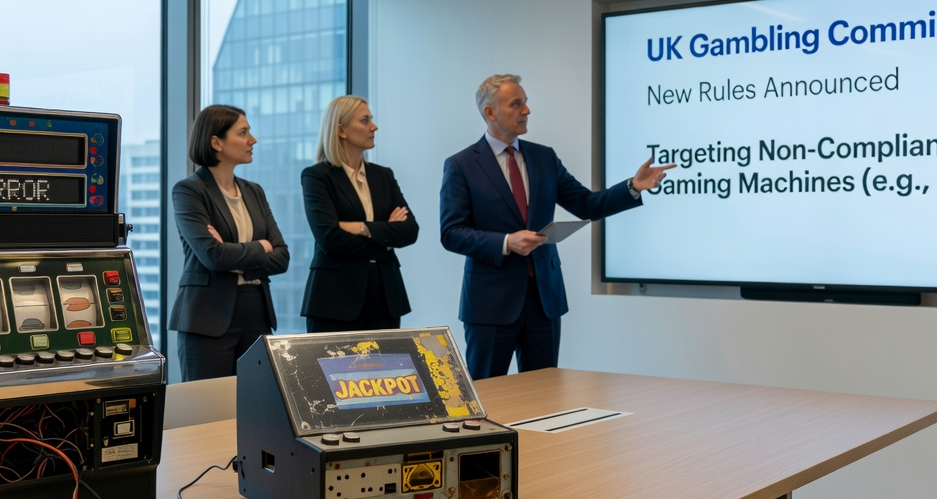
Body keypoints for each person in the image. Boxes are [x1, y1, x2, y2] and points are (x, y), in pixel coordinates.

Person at [439, 74, 675, 380]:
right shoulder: (461, 165)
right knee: (486, 395)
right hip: (490, 304)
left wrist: (633, 186)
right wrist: (506, 242)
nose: (527, 111)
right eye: (517, 103)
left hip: (543, 300)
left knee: (544, 395)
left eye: (526, 102)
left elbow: (586, 204)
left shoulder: (543, 157)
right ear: (490, 112)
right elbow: (452, 232)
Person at [168, 104, 289, 381]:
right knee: (207, 414)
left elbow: (282, 256)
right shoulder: (189, 191)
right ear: (216, 143)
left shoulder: (254, 191)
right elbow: (213, 256)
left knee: (257, 408)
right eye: (243, 132)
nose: (253, 140)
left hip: (257, 313)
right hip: (207, 317)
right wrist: (261, 247)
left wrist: (238, 260)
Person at [300, 95, 418, 332]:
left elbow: (409, 231)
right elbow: (330, 239)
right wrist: (385, 233)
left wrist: (362, 228)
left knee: (386, 370)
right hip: (335, 300)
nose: (373, 127)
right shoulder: (317, 176)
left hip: (385, 298)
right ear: (341, 130)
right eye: (365, 120)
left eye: (371, 120)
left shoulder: (383, 175)